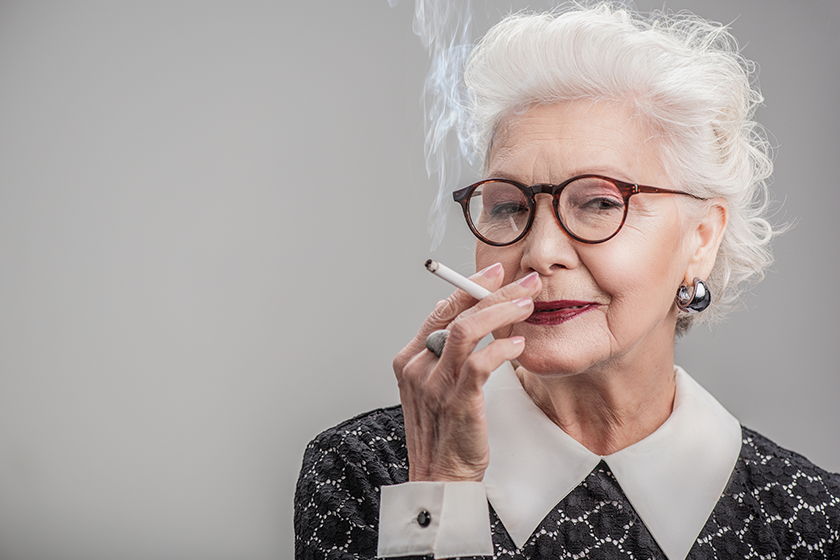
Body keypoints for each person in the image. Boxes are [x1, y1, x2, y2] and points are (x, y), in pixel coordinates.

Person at [294, 4, 840, 559]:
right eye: (508, 206)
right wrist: (444, 487)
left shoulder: (813, 519)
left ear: (700, 238)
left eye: (599, 203)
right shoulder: (371, 473)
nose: (540, 252)